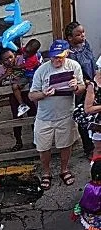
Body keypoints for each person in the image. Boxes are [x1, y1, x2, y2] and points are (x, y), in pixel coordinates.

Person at [30, 39, 86, 189]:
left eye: (60, 57)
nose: (56, 60)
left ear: (66, 54)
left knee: (66, 145)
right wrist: (43, 94)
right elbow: (32, 95)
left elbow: (82, 87)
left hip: (66, 114)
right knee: (43, 147)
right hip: (45, 116)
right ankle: (46, 172)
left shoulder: (74, 66)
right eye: (54, 57)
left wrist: (76, 87)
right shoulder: (42, 70)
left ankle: (64, 169)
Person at [0, 48, 35, 149]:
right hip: (14, 96)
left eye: (11, 57)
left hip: (27, 93)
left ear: (14, 55)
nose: (9, 60)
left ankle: (37, 140)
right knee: (16, 118)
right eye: (6, 59)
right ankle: (18, 142)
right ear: (2, 61)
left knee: (33, 115)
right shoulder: (2, 69)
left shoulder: (21, 60)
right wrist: (5, 75)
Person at [65, 20, 96, 159]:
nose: (82, 36)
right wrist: (86, 82)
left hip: (93, 85)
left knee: (96, 115)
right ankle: (89, 149)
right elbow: (71, 73)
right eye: (78, 34)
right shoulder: (68, 54)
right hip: (80, 89)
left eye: (83, 32)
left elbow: (92, 62)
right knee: (83, 118)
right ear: (70, 38)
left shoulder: (85, 45)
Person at [77, 159, 101, 230]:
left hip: (88, 216)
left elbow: (83, 202)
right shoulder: (98, 191)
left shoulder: (88, 186)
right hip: (97, 218)